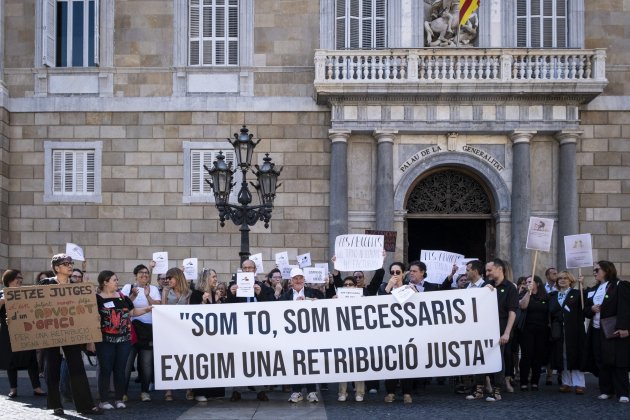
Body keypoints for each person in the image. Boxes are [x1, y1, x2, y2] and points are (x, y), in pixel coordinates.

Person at [39, 254, 103, 416]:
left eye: (70, 263)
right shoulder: (46, 283)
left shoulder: (76, 285)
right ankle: (55, 405)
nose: (69, 266)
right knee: (52, 367)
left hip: (72, 332)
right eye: (65, 263)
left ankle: (85, 406)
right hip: (51, 331)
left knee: (77, 367)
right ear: (56, 267)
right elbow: (34, 308)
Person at [95, 270, 152, 410]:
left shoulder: (122, 296)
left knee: (120, 369)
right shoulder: (96, 298)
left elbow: (132, 312)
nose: (117, 282)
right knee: (105, 369)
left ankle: (119, 399)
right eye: (114, 280)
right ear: (105, 282)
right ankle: (104, 400)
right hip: (105, 341)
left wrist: (148, 309)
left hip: (124, 340)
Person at [466, 258, 517, 402]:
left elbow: (512, 312)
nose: (486, 273)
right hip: (484, 329)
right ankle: (479, 390)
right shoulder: (487, 285)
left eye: (489, 270)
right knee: (480, 358)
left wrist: (506, 333)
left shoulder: (510, 288)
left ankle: (497, 391)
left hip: (500, 328)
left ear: (499, 269)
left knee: (497, 360)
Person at [584, 260, 630, 403]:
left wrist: (625, 328)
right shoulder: (593, 289)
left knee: (617, 361)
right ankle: (606, 390)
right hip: (597, 330)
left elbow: (626, 308)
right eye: (594, 270)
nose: (594, 272)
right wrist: (591, 310)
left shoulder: (619, 285)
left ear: (607, 270)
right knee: (601, 361)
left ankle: (623, 392)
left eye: (597, 270)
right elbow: (585, 310)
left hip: (613, 330)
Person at [0, 270, 47, 399]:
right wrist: (4, 300)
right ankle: (13, 389)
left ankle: (37, 388)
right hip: (8, 334)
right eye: (17, 278)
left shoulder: (24, 293)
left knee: (32, 360)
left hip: (26, 331)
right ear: (9, 280)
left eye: (21, 278)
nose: (20, 280)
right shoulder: (2, 294)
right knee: (11, 362)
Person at [282, 267, 325, 403]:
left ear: (304, 279)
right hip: (293, 336)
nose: (298, 280)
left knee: (310, 361)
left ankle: (312, 391)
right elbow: (279, 310)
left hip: (310, 335)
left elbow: (324, 305)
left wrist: (312, 302)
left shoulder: (315, 292)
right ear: (291, 281)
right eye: (295, 278)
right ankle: (296, 391)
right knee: (295, 362)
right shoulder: (286, 296)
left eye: (300, 278)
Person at [122, 263, 161, 402]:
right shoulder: (128, 288)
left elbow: (158, 306)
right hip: (131, 329)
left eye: (146, 273)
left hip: (148, 329)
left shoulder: (154, 289)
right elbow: (123, 306)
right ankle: (123, 393)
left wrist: (148, 295)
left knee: (146, 363)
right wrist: (132, 296)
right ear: (135, 275)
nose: (144, 275)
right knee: (127, 362)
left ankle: (145, 392)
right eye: (141, 273)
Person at [377, 262, 414, 404]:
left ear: (403, 273)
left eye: (398, 272)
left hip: (406, 331)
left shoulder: (409, 288)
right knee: (391, 363)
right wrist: (388, 287)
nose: (395, 275)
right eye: (392, 272)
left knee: (407, 364)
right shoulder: (384, 287)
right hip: (390, 332)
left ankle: (407, 393)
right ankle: (390, 392)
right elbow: (378, 303)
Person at [188, 268, 225, 401]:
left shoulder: (216, 294)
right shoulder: (197, 294)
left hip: (215, 336)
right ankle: (200, 392)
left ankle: (215, 392)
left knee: (215, 362)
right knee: (203, 363)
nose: (216, 279)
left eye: (216, 276)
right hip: (201, 336)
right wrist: (203, 302)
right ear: (205, 279)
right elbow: (192, 314)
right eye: (213, 277)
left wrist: (219, 302)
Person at [549, 271, 587, 394]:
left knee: (575, 355)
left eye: (565, 278)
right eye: (560, 278)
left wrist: (582, 285)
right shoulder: (553, 295)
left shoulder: (577, 293)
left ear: (570, 280)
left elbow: (585, 305)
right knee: (562, 356)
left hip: (574, 330)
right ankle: (566, 382)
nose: (562, 280)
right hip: (558, 331)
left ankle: (579, 384)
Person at [161, 267, 192, 401]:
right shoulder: (166, 291)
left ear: (178, 278)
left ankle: (189, 388)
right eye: (166, 278)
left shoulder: (188, 292)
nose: (168, 280)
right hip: (169, 329)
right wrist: (165, 293)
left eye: (170, 278)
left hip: (184, 330)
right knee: (169, 358)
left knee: (186, 359)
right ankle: (168, 390)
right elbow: (162, 308)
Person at [517, 275, 550, 391]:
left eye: (530, 282)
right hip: (527, 330)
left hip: (542, 330)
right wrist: (528, 293)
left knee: (538, 356)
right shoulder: (523, 294)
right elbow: (522, 305)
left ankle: (535, 381)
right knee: (526, 355)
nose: (528, 284)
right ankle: (523, 381)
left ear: (538, 284)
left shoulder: (546, 296)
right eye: (527, 282)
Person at [336, 276, 366, 402]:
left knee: (358, 364)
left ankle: (360, 392)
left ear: (355, 286)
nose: (348, 286)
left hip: (358, 336)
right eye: (346, 284)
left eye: (350, 284)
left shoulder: (363, 298)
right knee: (343, 364)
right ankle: (342, 392)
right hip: (343, 337)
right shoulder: (337, 299)